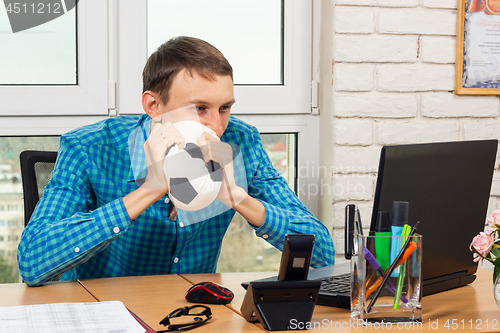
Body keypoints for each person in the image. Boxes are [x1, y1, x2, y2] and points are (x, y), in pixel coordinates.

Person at [17, 36, 335, 286]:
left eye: (225, 107)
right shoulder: (90, 147)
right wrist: (150, 189)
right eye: (200, 108)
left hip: (193, 312)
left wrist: (238, 197)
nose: (217, 126)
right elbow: (33, 262)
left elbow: (322, 253)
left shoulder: (241, 141)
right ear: (154, 105)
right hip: (106, 311)